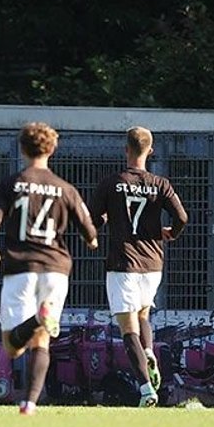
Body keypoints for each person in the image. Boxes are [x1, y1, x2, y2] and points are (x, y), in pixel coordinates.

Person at [0, 122, 98, 416]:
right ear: (52, 149)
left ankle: (38, 318)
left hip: (20, 266)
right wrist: (92, 240)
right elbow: (89, 230)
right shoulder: (66, 188)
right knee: (42, 339)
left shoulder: (11, 183)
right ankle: (30, 404)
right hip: (56, 268)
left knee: (12, 348)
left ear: (22, 148)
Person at [89, 126, 188, 407]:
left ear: (126, 150)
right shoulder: (161, 184)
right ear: (150, 151)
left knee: (127, 327)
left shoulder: (112, 182)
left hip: (123, 263)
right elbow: (182, 217)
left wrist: (103, 220)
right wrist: (171, 232)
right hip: (153, 263)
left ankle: (146, 389)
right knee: (143, 314)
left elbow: (92, 220)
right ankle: (148, 350)